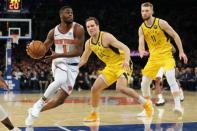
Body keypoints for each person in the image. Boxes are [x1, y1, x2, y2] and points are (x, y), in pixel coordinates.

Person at [79, 17, 154, 122]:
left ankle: (146, 103)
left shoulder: (106, 37)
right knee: (95, 89)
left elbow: (126, 48)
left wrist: (126, 61)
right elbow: (83, 59)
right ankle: (94, 114)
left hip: (123, 64)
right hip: (110, 67)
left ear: (97, 26)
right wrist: (73, 68)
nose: (90, 28)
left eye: (92, 26)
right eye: (88, 27)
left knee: (120, 88)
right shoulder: (89, 43)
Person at [25, 6, 85, 126]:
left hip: (73, 66)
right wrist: (34, 49)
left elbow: (78, 51)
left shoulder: (78, 28)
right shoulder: (53, 32)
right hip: (59, 62)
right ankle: (40, 103)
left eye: (72, 12)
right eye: (67, 12)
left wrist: (57, 54)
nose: (70, 14)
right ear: (61, 15)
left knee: (60, 100)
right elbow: (44, 48)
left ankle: (33, 112)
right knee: (60, 79)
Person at [138, 2, 188, 117]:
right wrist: (141, 50)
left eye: (146, 10)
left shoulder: (161, 23)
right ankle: (148, 107)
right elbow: (141, 41)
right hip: (153, 59)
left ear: (152, 11)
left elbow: (175, 35)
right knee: (144, 83)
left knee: (170, 78)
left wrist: (181, 51)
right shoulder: (141, 28)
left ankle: (177, 106)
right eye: (142, 11)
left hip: (166, 56)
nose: (144, 13)